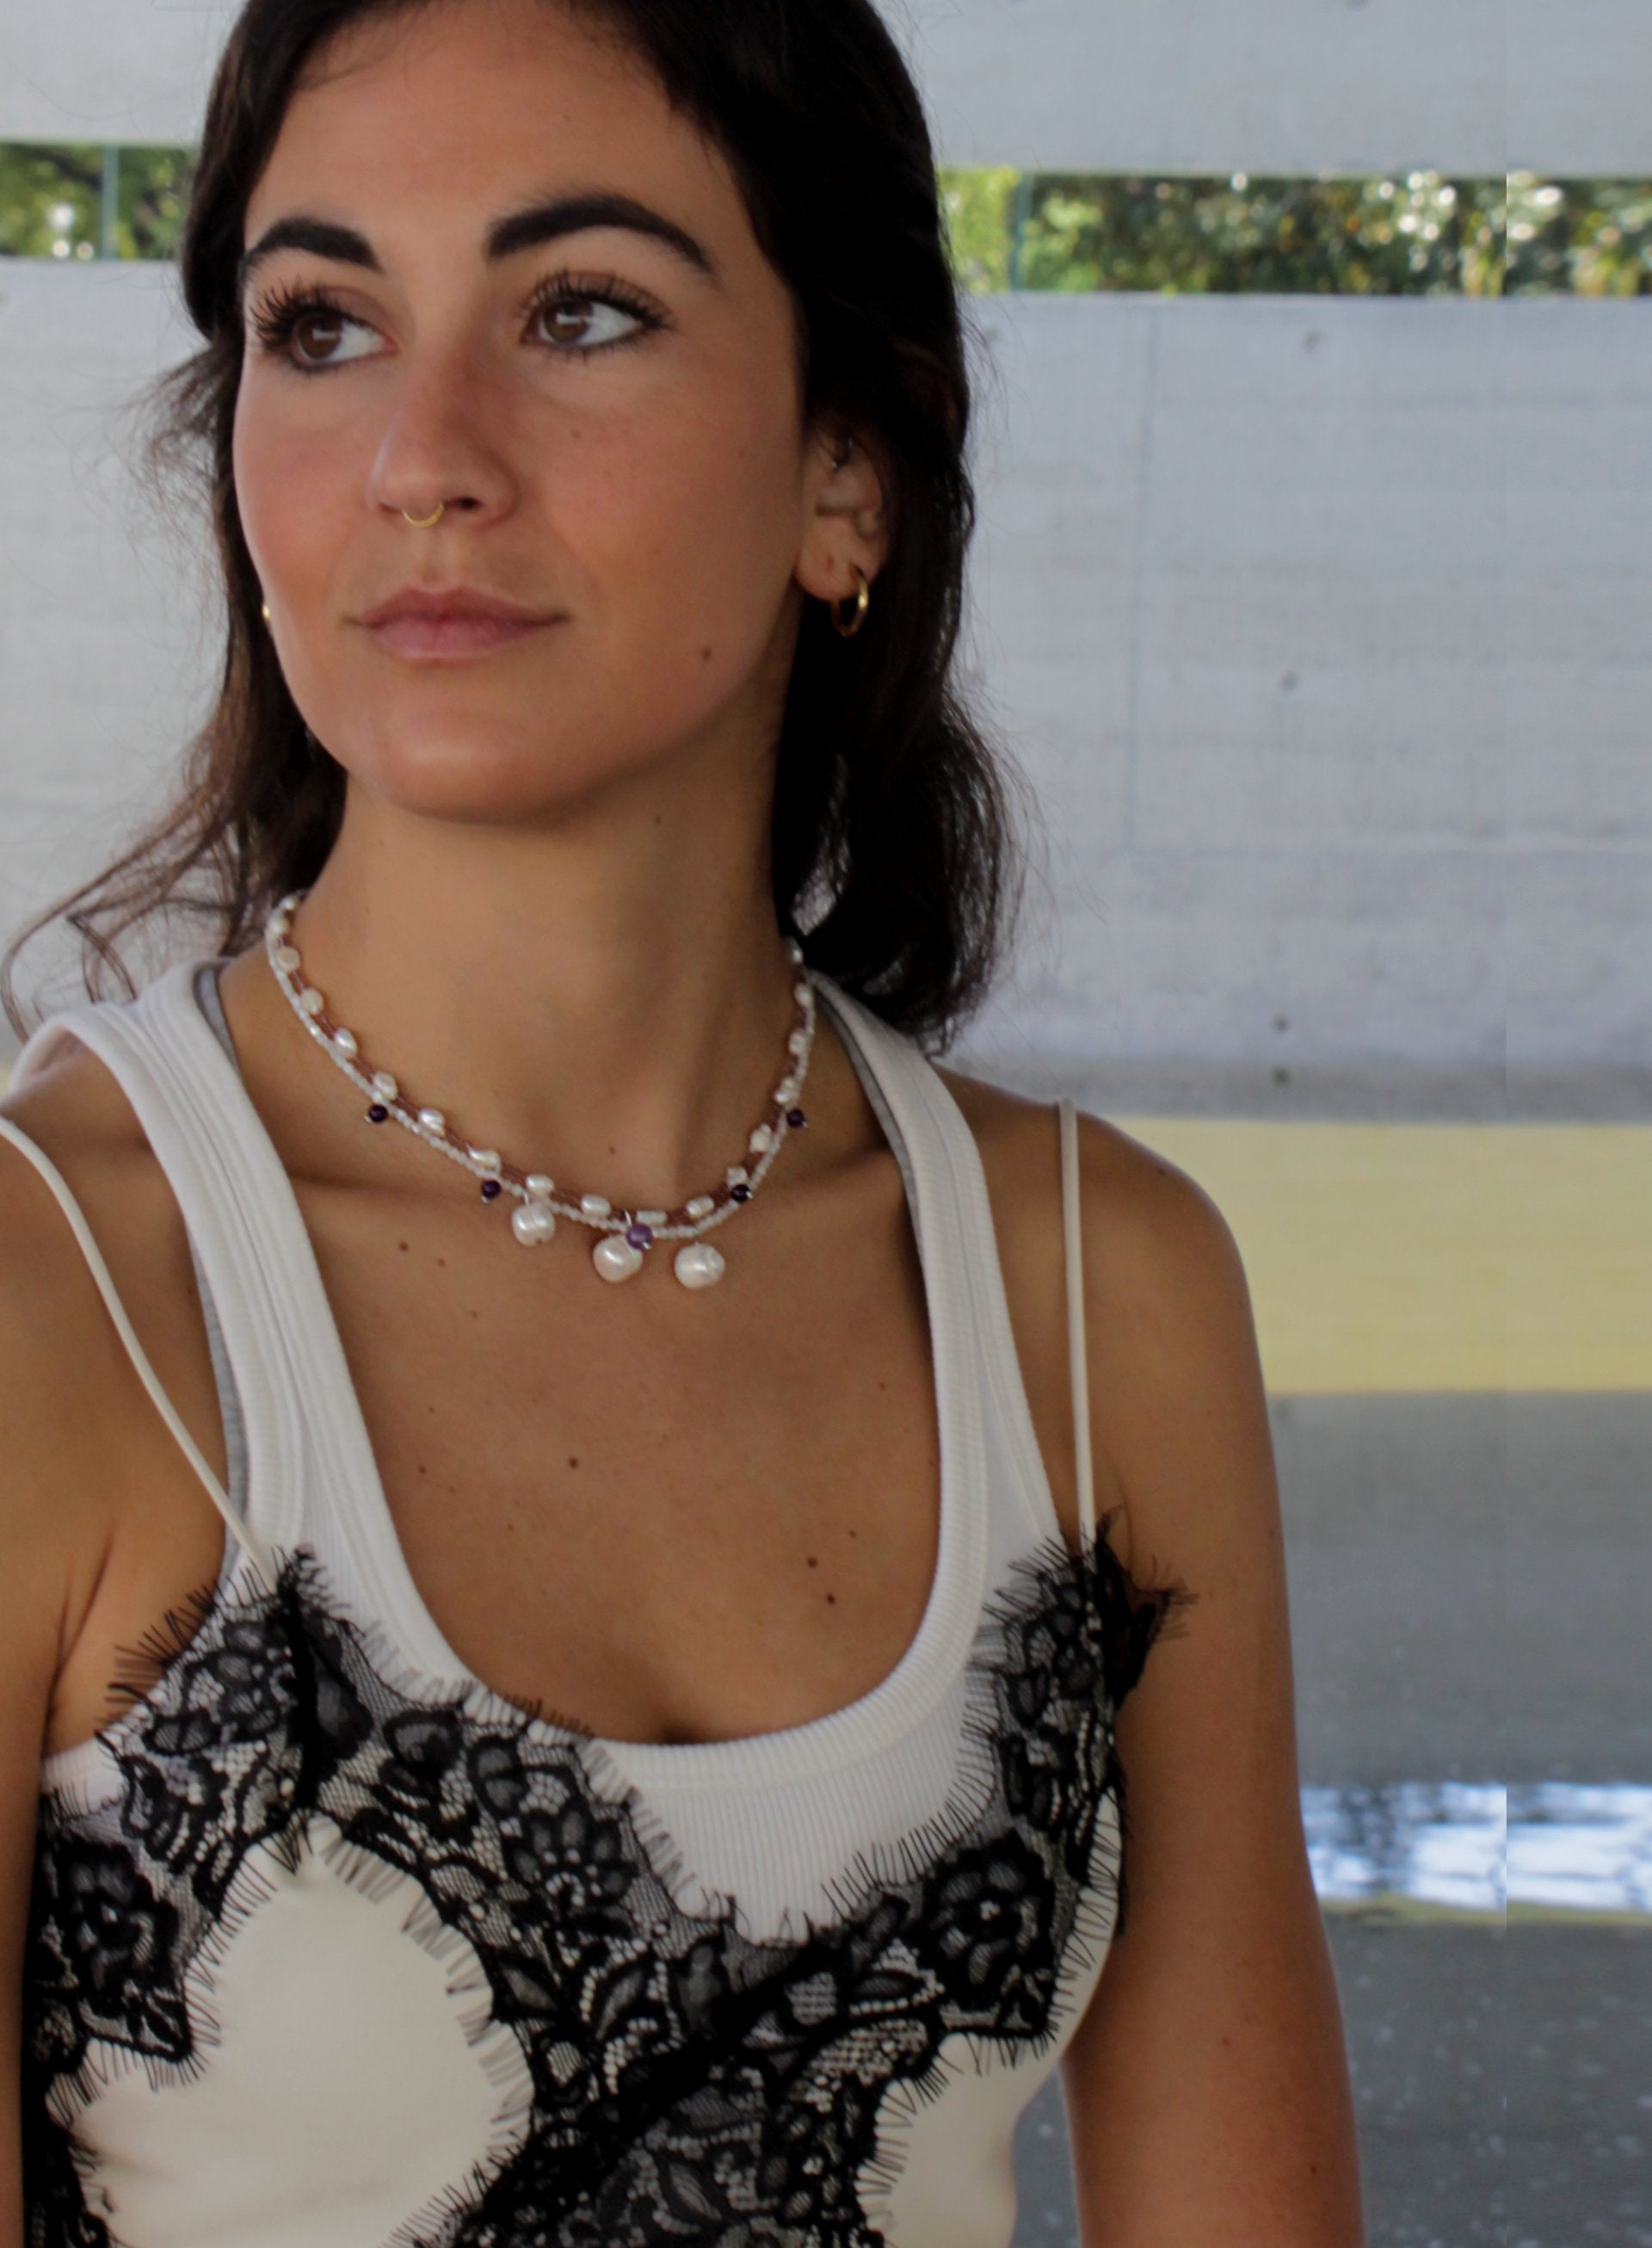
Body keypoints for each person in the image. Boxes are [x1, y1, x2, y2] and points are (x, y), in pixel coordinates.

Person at [0, 0, 1363, 2239]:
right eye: (321, 323)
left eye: (582, 309)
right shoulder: (58, 1297)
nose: (422, 453)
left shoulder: (1102, 1295)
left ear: (849, 467)